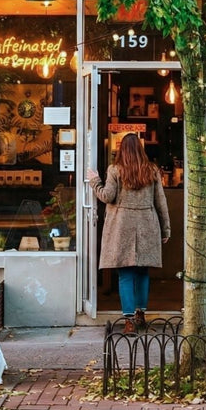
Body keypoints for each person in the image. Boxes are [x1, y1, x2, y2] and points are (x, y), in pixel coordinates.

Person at [87, 133, 171, 333]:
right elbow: (161, 202)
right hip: (147, 225)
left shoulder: (115, 170)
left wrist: (94, 181)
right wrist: (165, 228)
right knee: (142, 273)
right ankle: (140, 314)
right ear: (141, 149)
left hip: (122, 226)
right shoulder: (152, 171)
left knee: (125, 275)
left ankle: (129, 321)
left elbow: (107, 196)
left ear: (121, 149)